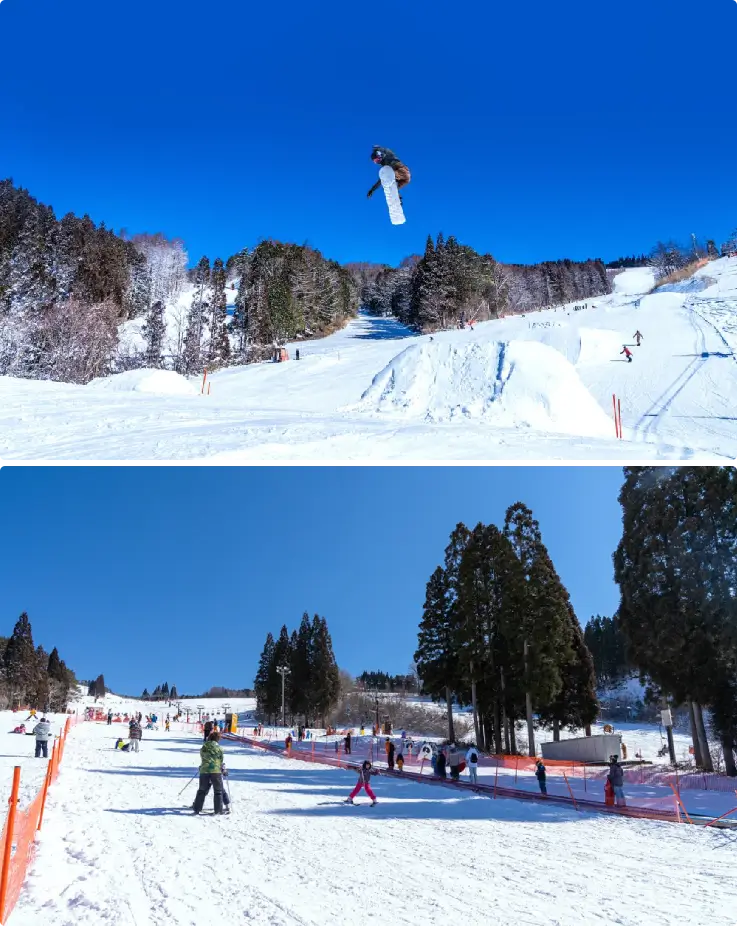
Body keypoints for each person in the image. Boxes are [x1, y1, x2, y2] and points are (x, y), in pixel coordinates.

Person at [193, 730, 225, 815]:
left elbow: (202, 756)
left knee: (202, 790)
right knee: (218, 791)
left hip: (204, 770)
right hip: (216, 771)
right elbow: (221, 759)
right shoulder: (219, 748)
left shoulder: (204, 747)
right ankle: (218, 810)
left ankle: (197, 809)